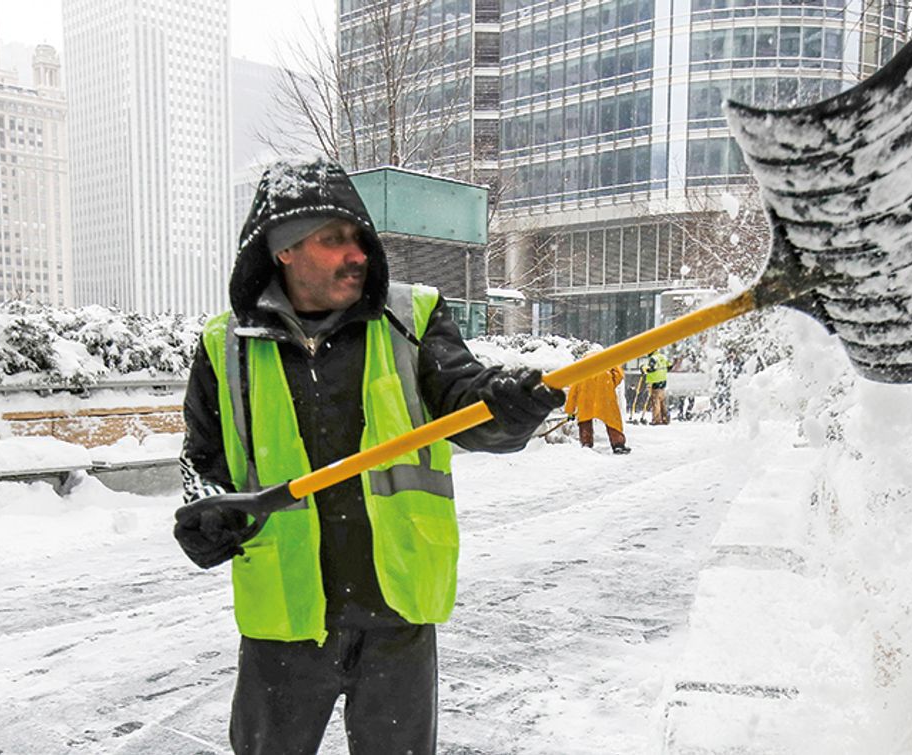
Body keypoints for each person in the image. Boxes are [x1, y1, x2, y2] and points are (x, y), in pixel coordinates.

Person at [174, 157, 564, 755]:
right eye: (333, 239)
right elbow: (203, 460)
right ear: (282, 249)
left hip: (396, 612)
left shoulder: (410, 319)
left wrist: (506, 408)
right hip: (285, 617)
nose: (356, 252)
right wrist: (206, 512)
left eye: (358, 236)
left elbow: (465, 401)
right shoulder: (225, 345)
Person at [564, 350, 631, 454]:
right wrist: (611, 384)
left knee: (585, 421)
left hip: (585, 398)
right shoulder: (607, 362)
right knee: (613, 420)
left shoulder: (580, 368)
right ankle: (618, 444)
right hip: (605, 395)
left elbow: (572, 392)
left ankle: (586, 444)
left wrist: (570, 411)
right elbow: (619, 374)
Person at [643, 349, 672, 425]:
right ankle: (665, 418)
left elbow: (651, 369)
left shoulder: (653, 358)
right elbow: (670, 366)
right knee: (662, 400)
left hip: (655, 381)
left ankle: (656, 420)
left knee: (655, 401)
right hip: (663, 381)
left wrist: (644, 369)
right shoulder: (663, 357)